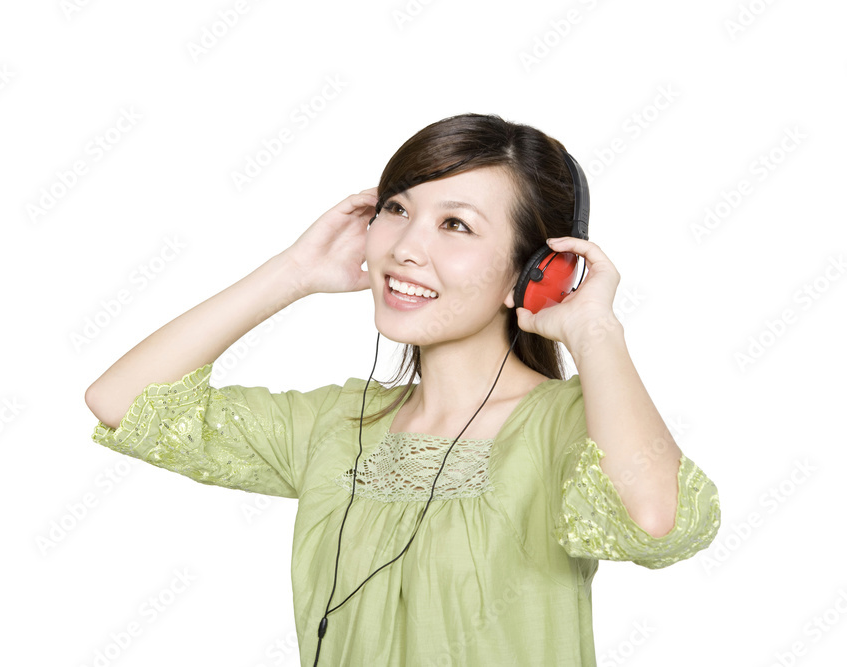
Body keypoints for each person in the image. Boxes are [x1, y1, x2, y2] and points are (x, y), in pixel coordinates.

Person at [84, 113, 721, 666]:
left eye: (456, 225)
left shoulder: (568, 426)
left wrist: (594, 328)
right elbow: (121, 402)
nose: (407, 247)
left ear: (532, 275)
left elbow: (656, 521)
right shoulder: (336, 424)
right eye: (397, 210)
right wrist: (293, 272)